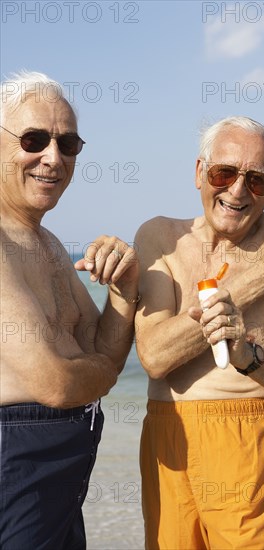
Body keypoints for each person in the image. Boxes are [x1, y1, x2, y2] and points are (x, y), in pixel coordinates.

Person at [134, 116, 264, 549]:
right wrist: (257, 280)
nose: (238, 191)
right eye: (224, 173)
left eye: (256, 181)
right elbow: (155, 357)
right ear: (199, 172)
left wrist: (248, 356)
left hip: (247, 434)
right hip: (167, 434)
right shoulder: (160, 237)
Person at [0, 71, 139, 550]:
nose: (53, 158)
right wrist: (101, 372)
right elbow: (54, 383)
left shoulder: (50, 244)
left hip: (60, 471)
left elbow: (103, 346)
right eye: (34, 140)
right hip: (15, 462)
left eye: (69, 143)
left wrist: (124, 287)